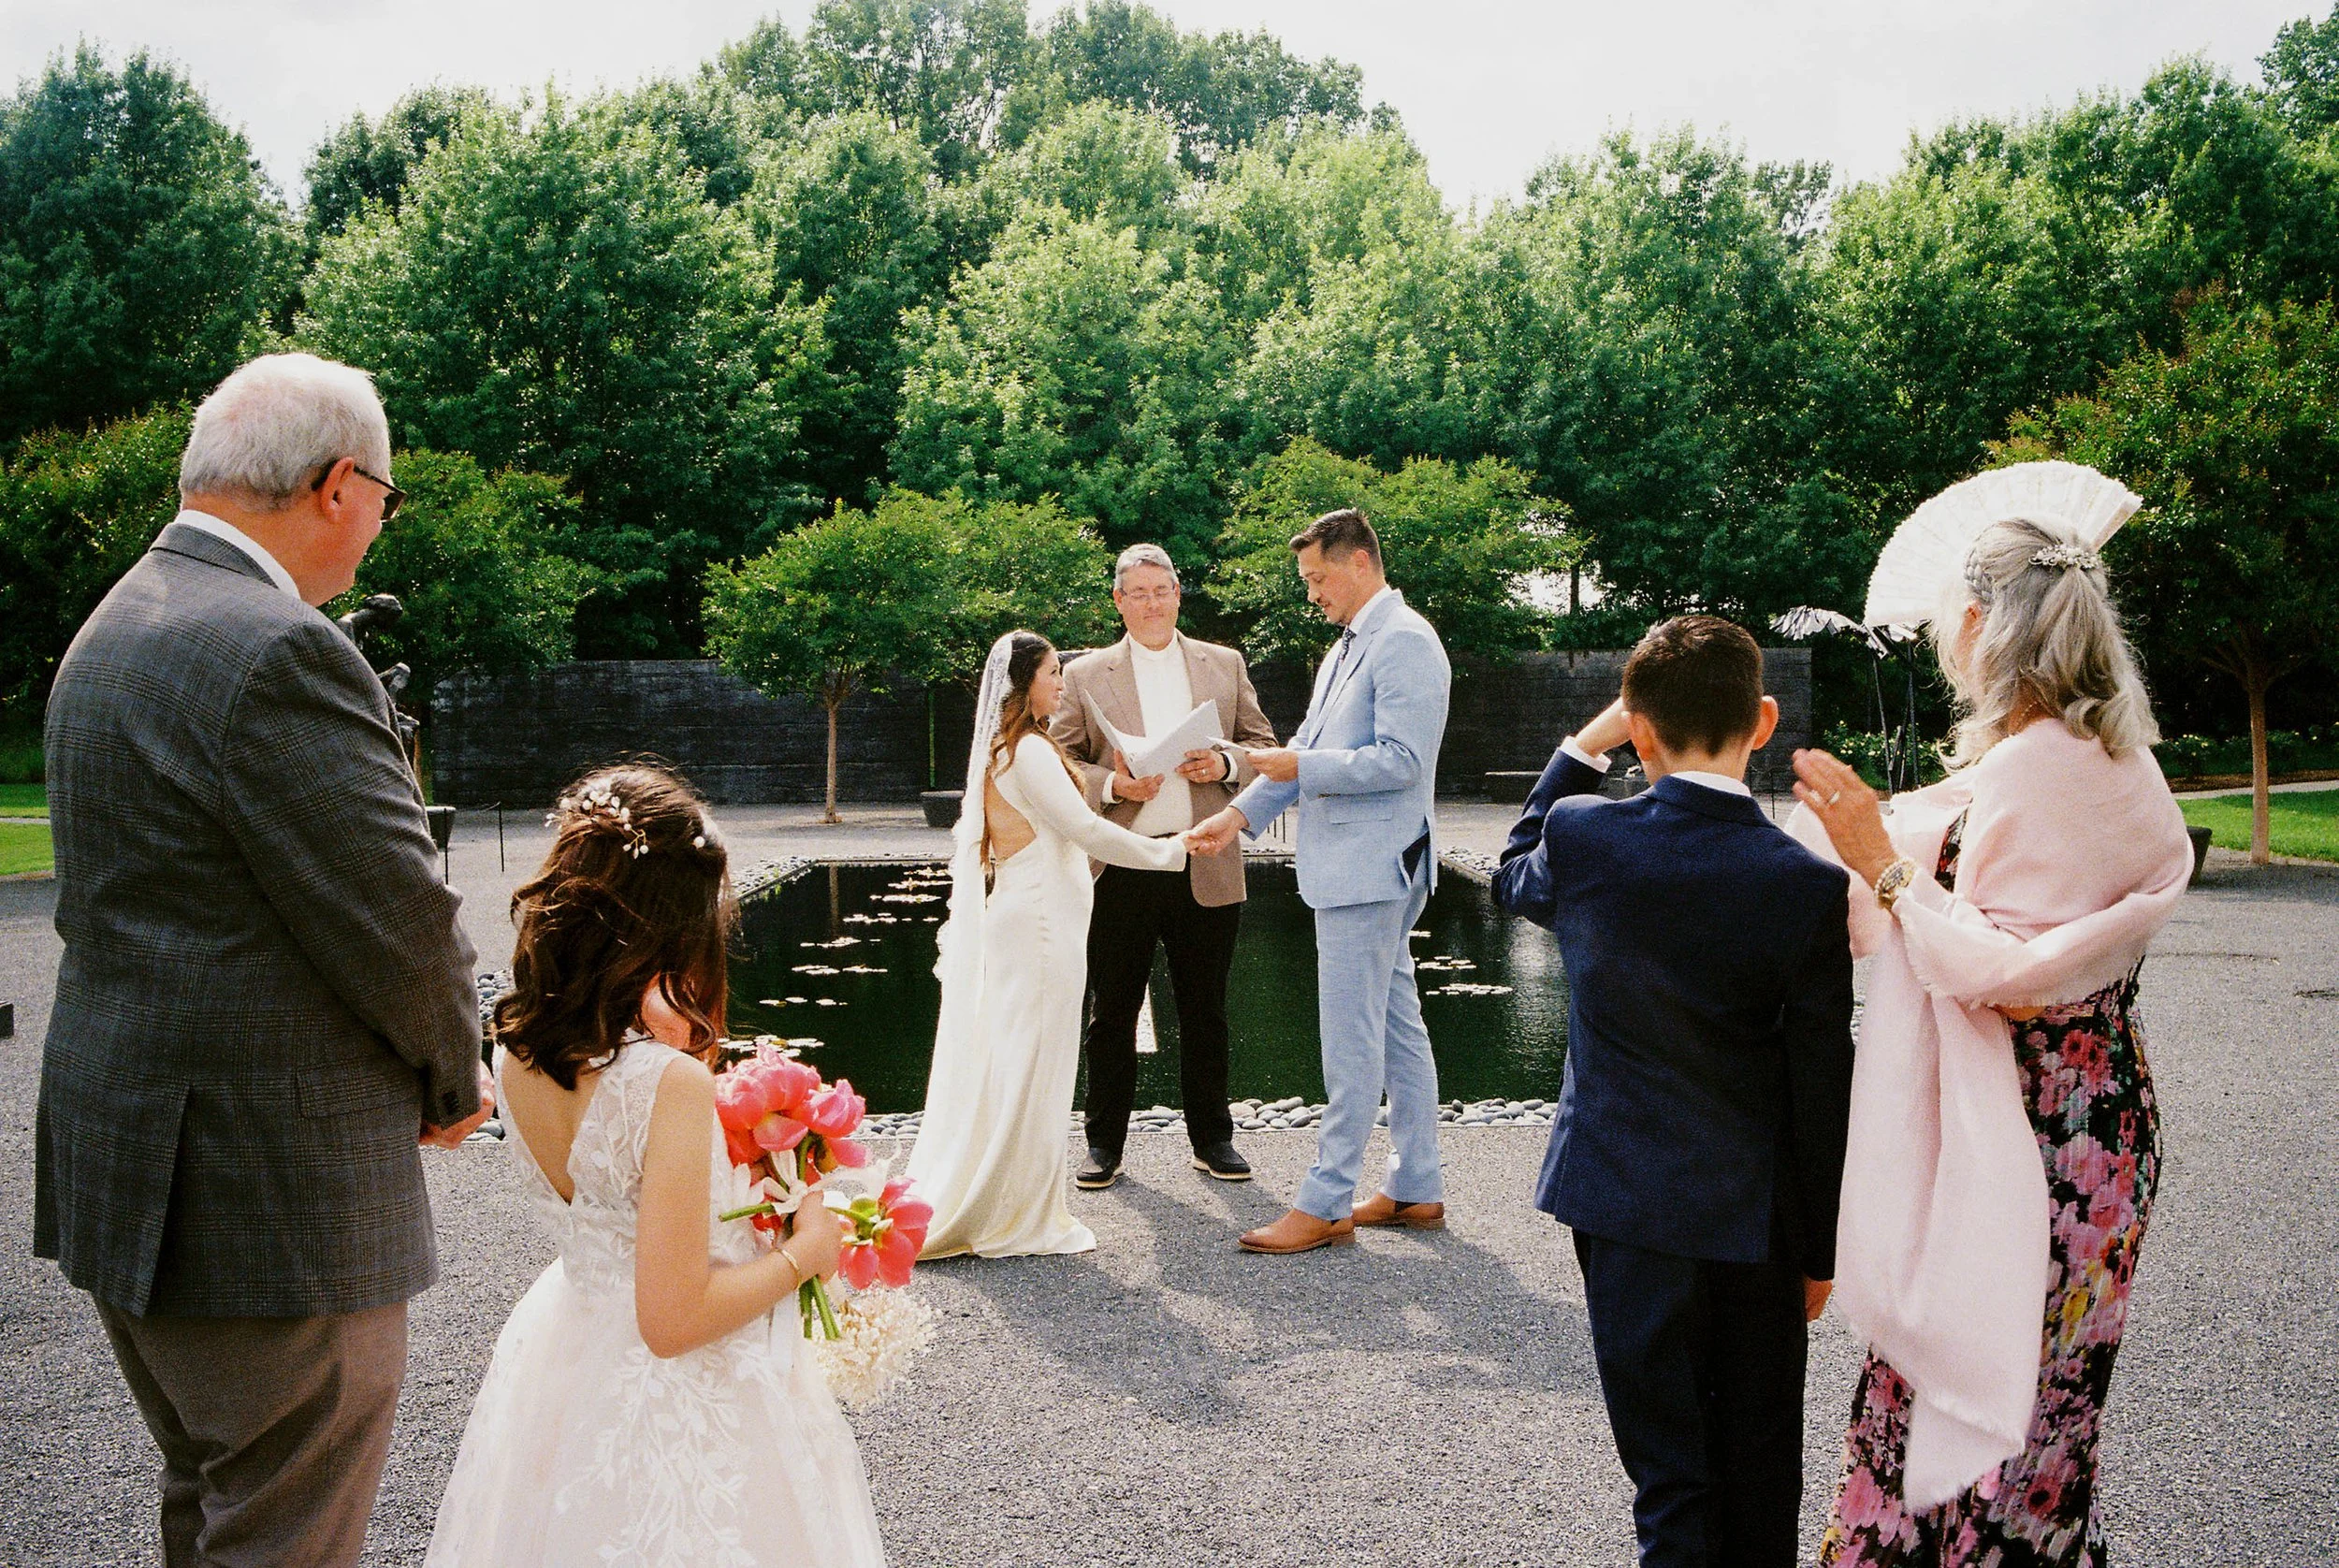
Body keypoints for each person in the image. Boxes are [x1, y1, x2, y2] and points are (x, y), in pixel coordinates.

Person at [36, 353, 489, 1568]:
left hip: (133, 1172)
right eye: (387, 499)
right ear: (339, 485)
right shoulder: (280, 649)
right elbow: (399, 919)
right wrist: (460, 1075)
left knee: (216, 1505)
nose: (381, 526)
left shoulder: (114, 625)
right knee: (285, 1529)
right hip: (266, 1198)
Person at [1790, 518, 2193, 1565]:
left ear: (1977, 626)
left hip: (2016, 1143)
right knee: (2048, 1413)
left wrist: (1879, 861)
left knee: (1957, 1394)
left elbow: (1994, 973)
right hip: (2105, 1126)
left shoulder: (2032, 772)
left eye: (1943, 627)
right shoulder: (2120, 758)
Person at [426, 763, 883, 1567]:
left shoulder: (518, 1046)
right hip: (681, 1394)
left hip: (569, 1356)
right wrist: (804, 1254)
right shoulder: (663, 1081)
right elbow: (672, 1321)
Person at [1491, 616, 1856, 1567]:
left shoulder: (1584, 836)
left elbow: (1508, 871)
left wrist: (1583, 744)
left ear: (1638, 729)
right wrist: (1818, 1249)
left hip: (1622, 1207)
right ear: (1763, 720)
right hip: (1757, 1222)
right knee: (1759, 1466)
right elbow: (1822, 1085)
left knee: (1669, 1476)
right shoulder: (1806, 885)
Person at [1186, 509, 1451, 1256]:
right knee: (1396, 1027)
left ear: (1360, 562)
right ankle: (1416, 1184)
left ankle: (1327, 1199)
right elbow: (1305, 747)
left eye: (1317, 578)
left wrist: (1298, 769)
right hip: (1359, 869)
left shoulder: (1403, 642)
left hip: (1371, 870)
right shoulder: (1349, 648)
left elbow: (1401, 761)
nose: (1311, 594)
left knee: (1352, 1039)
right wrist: (1236, 818)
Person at [909, 632, 1187, 1257]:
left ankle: (1015, 1197)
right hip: (1039, 925)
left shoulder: (1007, 750)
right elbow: (1087, 830)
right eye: (1053, 672)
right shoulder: (1029, 751)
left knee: (1024, 1057)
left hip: (1032, 915)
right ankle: (1009, 1210)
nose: (1062, 683)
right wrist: (1173, 851)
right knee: (1035, 1061)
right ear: (1024, 682)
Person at [1049, 543, 1279, 1190]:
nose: (1151, 603)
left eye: (1162, 590)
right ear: (1118, 601)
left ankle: (1214, 1140)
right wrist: (1114, 786)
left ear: (1179, 594)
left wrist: (1225, 764)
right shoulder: (1087, 673)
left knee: (1205, 1009)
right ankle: (1103, 1147)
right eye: (1137, 593)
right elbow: (1058, 760)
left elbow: (1263, 746)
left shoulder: (1224, 664)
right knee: (1111, 1012)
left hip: (1203, 856)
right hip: (1119, 865)